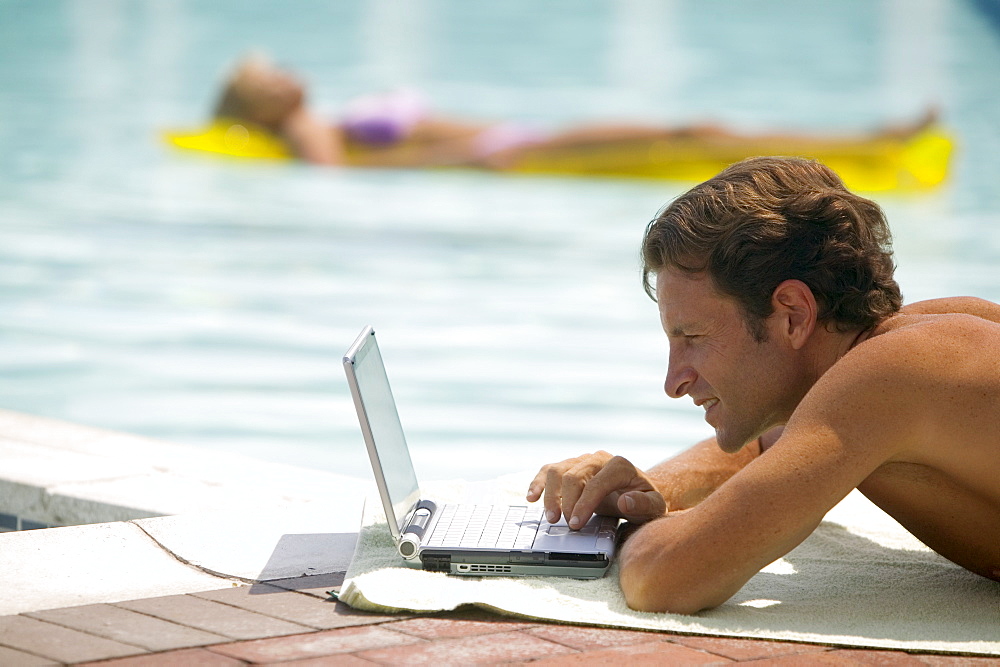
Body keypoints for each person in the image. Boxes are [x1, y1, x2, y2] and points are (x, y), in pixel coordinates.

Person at [526, 156, 1000, 614]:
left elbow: (663, 576)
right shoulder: (884, 365)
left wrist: (619, 531)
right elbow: (769, 446)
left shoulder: (893, 373)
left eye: (693, 336)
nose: (674, 382)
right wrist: (649, 490)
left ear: (792, 314)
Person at [210, 55, 939, 172]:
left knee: (696, 129)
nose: (287, 77)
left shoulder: (325, 113)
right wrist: (467, 161)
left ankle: (864, 143)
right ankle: (865, 145)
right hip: (512, 152)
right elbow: (342, 180)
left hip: (517, 141)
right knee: (693, 132)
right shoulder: (307, 128)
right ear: (261, 104)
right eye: (268, 79)